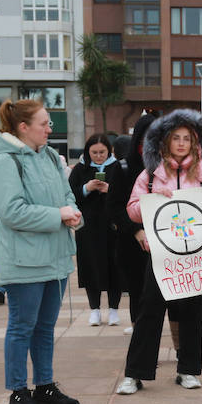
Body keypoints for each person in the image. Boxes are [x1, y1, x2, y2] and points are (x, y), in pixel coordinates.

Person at [119, 109, 202, 393]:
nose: (181, 143)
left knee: (191, 312)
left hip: (194, 255)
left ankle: (188, 370)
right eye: (175, 138)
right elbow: (132, 211)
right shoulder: (151, 175)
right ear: (165, 142)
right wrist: (151, 199)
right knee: (149, 310)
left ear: (195, 143)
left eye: (186, 138)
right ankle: (135, 373)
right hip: (161, 255)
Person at [0, 98, 81, 404]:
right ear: (23, 127)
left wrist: (72, 212)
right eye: (44, 124)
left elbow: (67, 194)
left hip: (55, 257)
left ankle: (44, 386)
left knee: (45, 328)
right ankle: (18, 392)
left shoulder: (52, 157)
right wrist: (58, 214)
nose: (49, 129)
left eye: (49, 123)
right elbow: (11, 211)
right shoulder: (6, 162)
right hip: (25, 260)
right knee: (21, 327)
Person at [108, 114, 156, 333]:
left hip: (166, 238)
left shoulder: (170, 167)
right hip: (133, 243)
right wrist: (135, 230)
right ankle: (141, 338)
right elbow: (115, 207)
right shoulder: (123, 168)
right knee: (139, 291)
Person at [70, 134, 123, 326]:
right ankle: (94, 310)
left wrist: (111, 189)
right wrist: (86, 187)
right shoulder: (80, 168)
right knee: (90, 266)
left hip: (112, 226)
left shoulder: (117, 167)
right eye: (94, 152)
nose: (99, 156)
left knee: (114, 266)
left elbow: (126, 194)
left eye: (102, 152)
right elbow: (70, 194)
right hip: (88, 226)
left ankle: (114, 309)